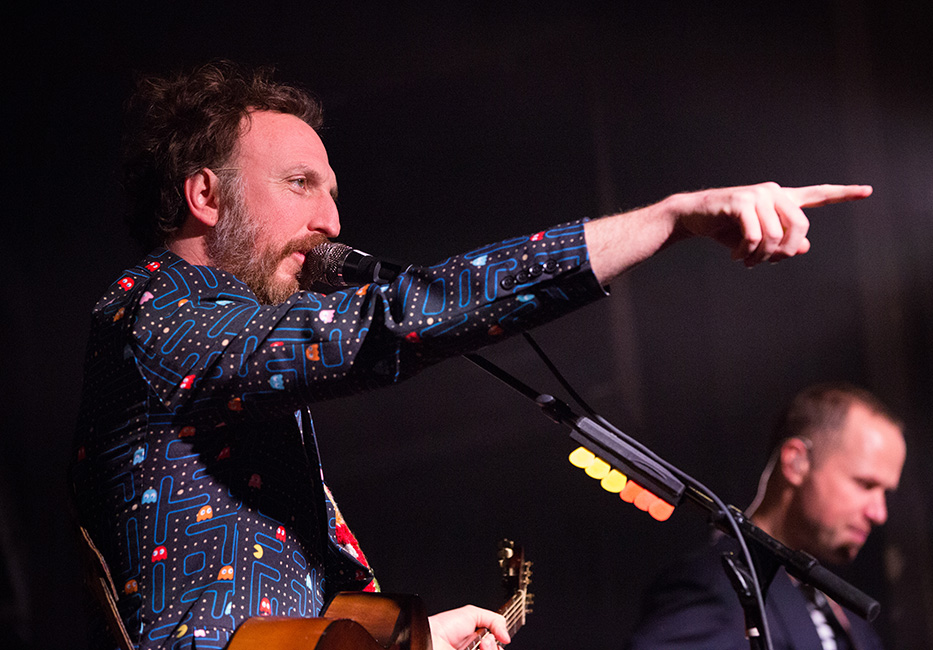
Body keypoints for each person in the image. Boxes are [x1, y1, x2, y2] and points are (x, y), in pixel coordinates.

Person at [68, 60, 873, 650]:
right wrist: (669, 219)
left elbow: (276, 624)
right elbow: (391, 323)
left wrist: (413, 639)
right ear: (206, 195)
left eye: (333, 191)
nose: (330, 221)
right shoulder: (153, 312)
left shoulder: (228, 359)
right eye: (301, 184)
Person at [626, 383, 907, 650]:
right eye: (865, 484)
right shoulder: (715, 591)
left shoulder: (842, 609)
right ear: (796, 462)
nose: (879, 513)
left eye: (886, 493)